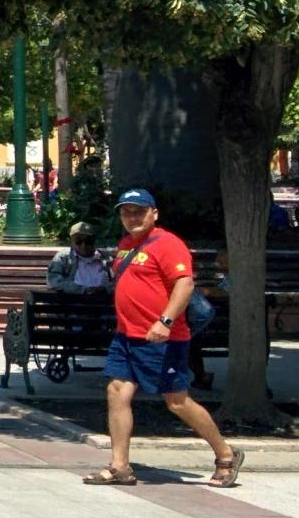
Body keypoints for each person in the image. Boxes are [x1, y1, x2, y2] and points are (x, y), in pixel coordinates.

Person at [85, 189, 242, 488]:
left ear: (154, 213)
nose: (132, 217)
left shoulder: (169, 244)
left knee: (177, 402)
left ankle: (226, 454)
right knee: (117, 391)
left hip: (163, 339)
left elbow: (184, 284)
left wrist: (165, 321)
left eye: (139, 211)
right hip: (127, 337)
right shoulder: (126, 245)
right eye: (126, 212)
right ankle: (120, 467)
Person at [46, 224, 110, 291]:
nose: (83, 246)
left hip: (103, 299)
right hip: (72, 300)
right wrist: (82, 290)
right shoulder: (63, 258)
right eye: (78, 241)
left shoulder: (106, 258)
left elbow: (117, 282)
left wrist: (104, 289)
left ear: (94, 241)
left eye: (88, 241)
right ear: (72, 241)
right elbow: (53, 282)